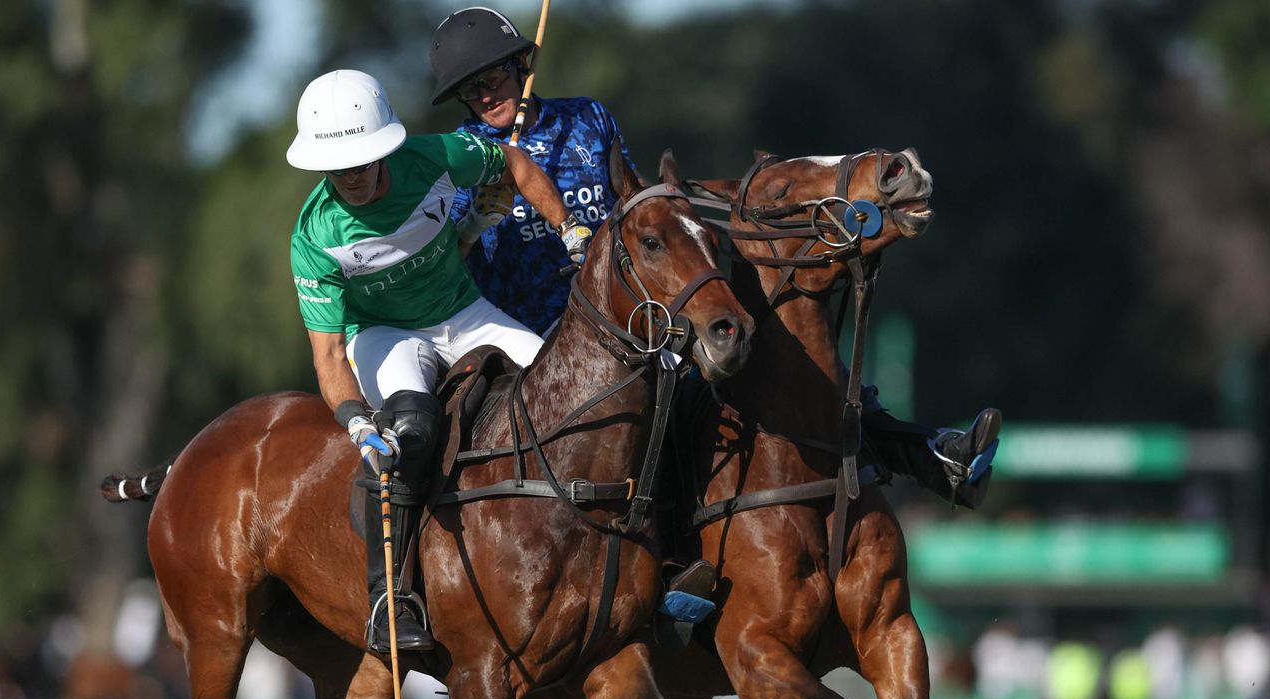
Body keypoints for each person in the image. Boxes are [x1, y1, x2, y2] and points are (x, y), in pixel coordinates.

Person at [429, 7, 1001, 507]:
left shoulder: (588, 118)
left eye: (495, 77)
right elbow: (452, 260)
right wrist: (479, 217)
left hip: (633, 305)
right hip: (531, 327)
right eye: (470, 89)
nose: (486, 95)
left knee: (760, 351)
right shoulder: (460, 157)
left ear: (522, 68)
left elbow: (634, 199)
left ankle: (925, 454)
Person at [286, 68, 594, 654]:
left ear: (384, 150)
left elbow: (516, 164)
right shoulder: (314, 235)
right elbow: (327, 356)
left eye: (361, 159)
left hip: (465, 312)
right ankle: (389, 603)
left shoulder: (435, 157)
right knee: (415, 432)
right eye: (337, 164)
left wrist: (570, 229)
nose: (350, 176)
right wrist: (356, 422)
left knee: (569, 401)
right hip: (383, 335)